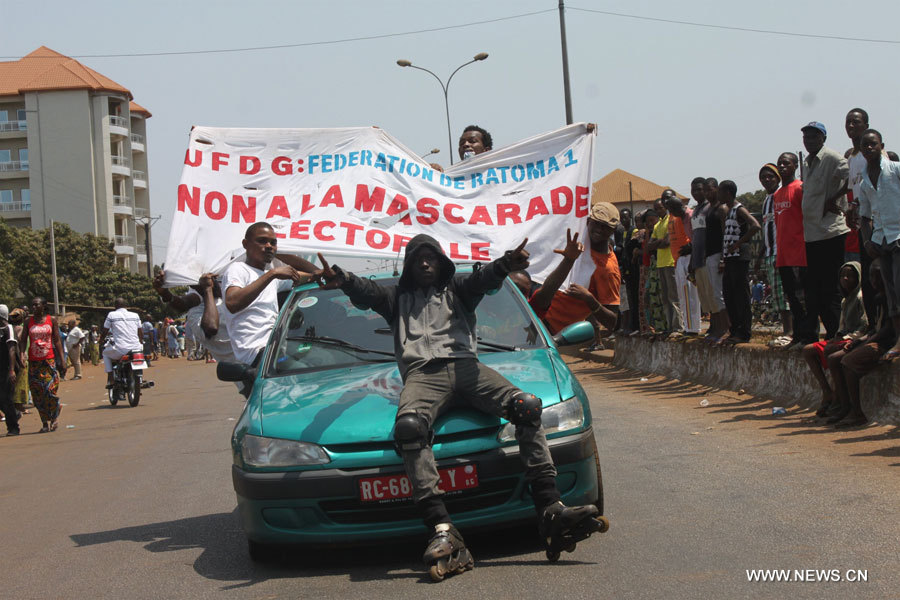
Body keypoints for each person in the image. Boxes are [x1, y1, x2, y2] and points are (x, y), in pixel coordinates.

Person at [316, 234, 604, 576]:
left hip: (469, 369)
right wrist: (344, 279)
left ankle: (550, 507)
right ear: (409, 265)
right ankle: (441, 527)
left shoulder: (459, 289)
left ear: (441, 262)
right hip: (422, 375)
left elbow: (484, 279)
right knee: (409, 429)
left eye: (431, 257)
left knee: (527, 406)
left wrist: (504, 264)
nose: (425, 263)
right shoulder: (395, 298)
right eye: (418, 258)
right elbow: (366, 292)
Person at [221, 222, 318, 367]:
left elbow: (314, 274)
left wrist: (275, 253)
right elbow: (232, 303)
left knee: (325, 359)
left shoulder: (271, 276)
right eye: (262, 241)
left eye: (273, 243)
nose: (268, 245)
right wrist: (272, 274)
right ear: (245, 244)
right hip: (257, 355)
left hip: (275, 350)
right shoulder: (238, 269)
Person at [539, 203, 621, 345]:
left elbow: (612, 322)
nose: (599, 230)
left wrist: (589, 299)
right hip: (534, 314)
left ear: (612, 230)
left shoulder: (608, 269)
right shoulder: (573, 242)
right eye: (597, 223)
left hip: (556, 333)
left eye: (605, 227)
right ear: (588, 222)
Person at [825, 261, 892, 427]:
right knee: (833, 357)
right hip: (872, 339)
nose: (874, 281)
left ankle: (857, 412)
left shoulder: (890, 297)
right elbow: (874, 328)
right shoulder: (875, 298)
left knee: (848, 361)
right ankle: (843, 405)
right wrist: (858, 341)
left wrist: (865, 341)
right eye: (872, 277)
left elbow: (887, 330)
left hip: (885, 343)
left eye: (878, 277)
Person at [801, 121, 849, 341]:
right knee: (816, 289)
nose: (809, 141)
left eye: (814, 137)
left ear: (823, 139)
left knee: (831, 288)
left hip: (830, 231)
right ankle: (830, 333)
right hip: (812, 234)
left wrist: (835, 197)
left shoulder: (831, 157)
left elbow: (853, 174)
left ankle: (837, 334)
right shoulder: (808, 163)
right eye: (807, 137)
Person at [801, 261, 866, 418]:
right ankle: (827, 391)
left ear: (858, 278)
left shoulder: (860, 297)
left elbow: (864, 326)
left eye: (850, 276)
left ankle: (840, 400)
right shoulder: (845, 300)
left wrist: (846, 338)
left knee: (832, 353)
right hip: (843, 336)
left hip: (856, 339)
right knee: (808, 350)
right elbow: (842, 325)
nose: (845, 279)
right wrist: (837, 336)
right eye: (843, 276)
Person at [858, 128, 900, 362]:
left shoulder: (895, 170)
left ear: (881, 145)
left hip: (898, 235)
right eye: (865, 145)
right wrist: (867, 239)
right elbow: (864, 216)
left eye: (873, 144)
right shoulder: (864, 181)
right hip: (881, 239)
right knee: (890, 290)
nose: (869, 148)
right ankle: (896, 337)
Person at [154, 270, 237, 364]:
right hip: (241, 364)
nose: (212, 279)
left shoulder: (231, 291)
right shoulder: (196, 313)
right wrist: (207, 289)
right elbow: (211, 327)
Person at [719, 180, 760, 344]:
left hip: (739, 257)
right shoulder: (728, 211)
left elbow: (755, 226)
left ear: (728, 193)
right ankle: (734, 329)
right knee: (729, 294)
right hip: (730, 259)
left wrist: (738, 243)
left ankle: (744, 332)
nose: (718, 195)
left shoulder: (739, 209)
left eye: (720, 192)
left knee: (741, 295)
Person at [756, 163, 793, 345]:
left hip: (783, 252)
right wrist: (760, 256)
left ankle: (790, 331)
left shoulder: (781, 196)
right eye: (763, 177)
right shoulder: (765, 201)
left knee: (787, 295)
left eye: (770, 176)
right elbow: (766, 229)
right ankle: (787, 330)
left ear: (778, 178)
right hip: (770, 253)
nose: (767, 180)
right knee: (778, 296)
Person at [18, 297, 66, 432]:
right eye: (32, 305)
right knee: (37, 393)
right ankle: (45, 423)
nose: (33, 307)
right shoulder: (28, 322)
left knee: (50, 390)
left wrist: (62, 360)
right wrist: (22, 354)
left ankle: (54, 416)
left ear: (43, 306)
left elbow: (57, 341)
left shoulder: (52, 321)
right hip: (34, 362)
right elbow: (23, 341)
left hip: (48, 360)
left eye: (36, 305)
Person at [664, 192, 700, 336]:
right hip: (678, 259)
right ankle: (688, 326)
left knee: (691, 295)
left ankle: (694, 327)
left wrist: (691, 247)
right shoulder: (674, 217)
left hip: (688, 257)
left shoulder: (689, 215)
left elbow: (698, 235)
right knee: (683, 295)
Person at [704, 178, 730, 341]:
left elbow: (725, 233)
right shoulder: (709, 208)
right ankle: (719, 328)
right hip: (709, 255)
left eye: (710, 190)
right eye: (705, 191)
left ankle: (726, 328)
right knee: (714, 294)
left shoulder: (722, 208)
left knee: (721, 294)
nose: (707, 193)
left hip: (718, 254)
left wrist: (723, 257)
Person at [648, 198, 679, 334]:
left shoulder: (670, 220)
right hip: (660, 263)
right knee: (665, 298)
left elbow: (667, 242)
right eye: (657, 209)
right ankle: (669, 326)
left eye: (661, 207)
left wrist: (657, 243)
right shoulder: (657, 225)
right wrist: (658, 243)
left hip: (670, 262)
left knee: (674, 296)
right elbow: (650, 245)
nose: (659, 210)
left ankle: (678, 326)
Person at [99, 298, 143, 390]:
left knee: (105, 354)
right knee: (139, 359)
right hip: (136, 348)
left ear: (115, 306)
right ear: (126, 305)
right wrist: (140, 342)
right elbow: (140, 332)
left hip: (121, 349)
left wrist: (101, 341)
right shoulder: (135, 315)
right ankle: (140, 379)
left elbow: (105, 331)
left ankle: (111, 380)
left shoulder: (112, 315)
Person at [0, 305, 20, 436]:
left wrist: (12, 370)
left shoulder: (9, 329)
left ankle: (13, 427)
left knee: (6, 398)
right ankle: (15, 414)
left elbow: (12, 349)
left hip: (8, 369)